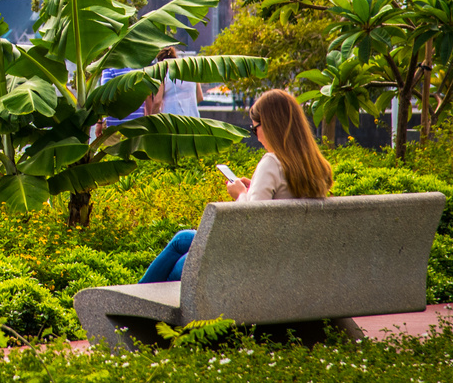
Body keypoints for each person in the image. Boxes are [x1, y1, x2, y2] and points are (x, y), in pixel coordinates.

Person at [138, 88, 334, 284]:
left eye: (255, 128)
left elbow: (251, 222)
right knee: (182, 239)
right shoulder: (317, 166)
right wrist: (253, 189)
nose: (256, 135)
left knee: (180, 264)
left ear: (271, 126)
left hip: (253, 259)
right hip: (289, 255)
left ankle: (134, 301)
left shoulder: (272, 163)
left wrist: (240, 194)